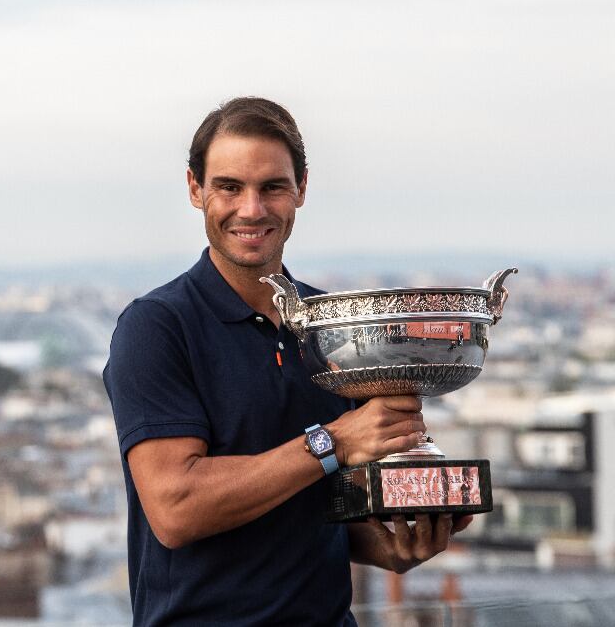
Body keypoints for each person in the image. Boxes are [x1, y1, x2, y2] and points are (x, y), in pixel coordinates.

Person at [103, 97, 472, 626]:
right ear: (195, 189)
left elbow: (323, 506)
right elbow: (176, 508)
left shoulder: (334, 326)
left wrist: (392, 546)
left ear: (301, 188)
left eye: (272, 187)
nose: (251, 209)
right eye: (229, 187)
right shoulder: (157, 328)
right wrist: (334, 441)